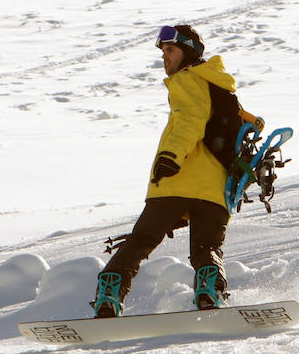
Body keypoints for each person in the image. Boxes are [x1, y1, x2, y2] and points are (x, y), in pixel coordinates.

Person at [92, 24, 257, 317]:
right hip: (215, 188)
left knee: (140, 242)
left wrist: (170, 156)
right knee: (207, 250)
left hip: (178, 180)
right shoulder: (220, 87)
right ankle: (210, 294)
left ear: (188, 52)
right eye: (164, 52)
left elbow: (189, 121)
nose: (165, 58)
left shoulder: (188, 79)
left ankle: (109, 295)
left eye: (170, 50)